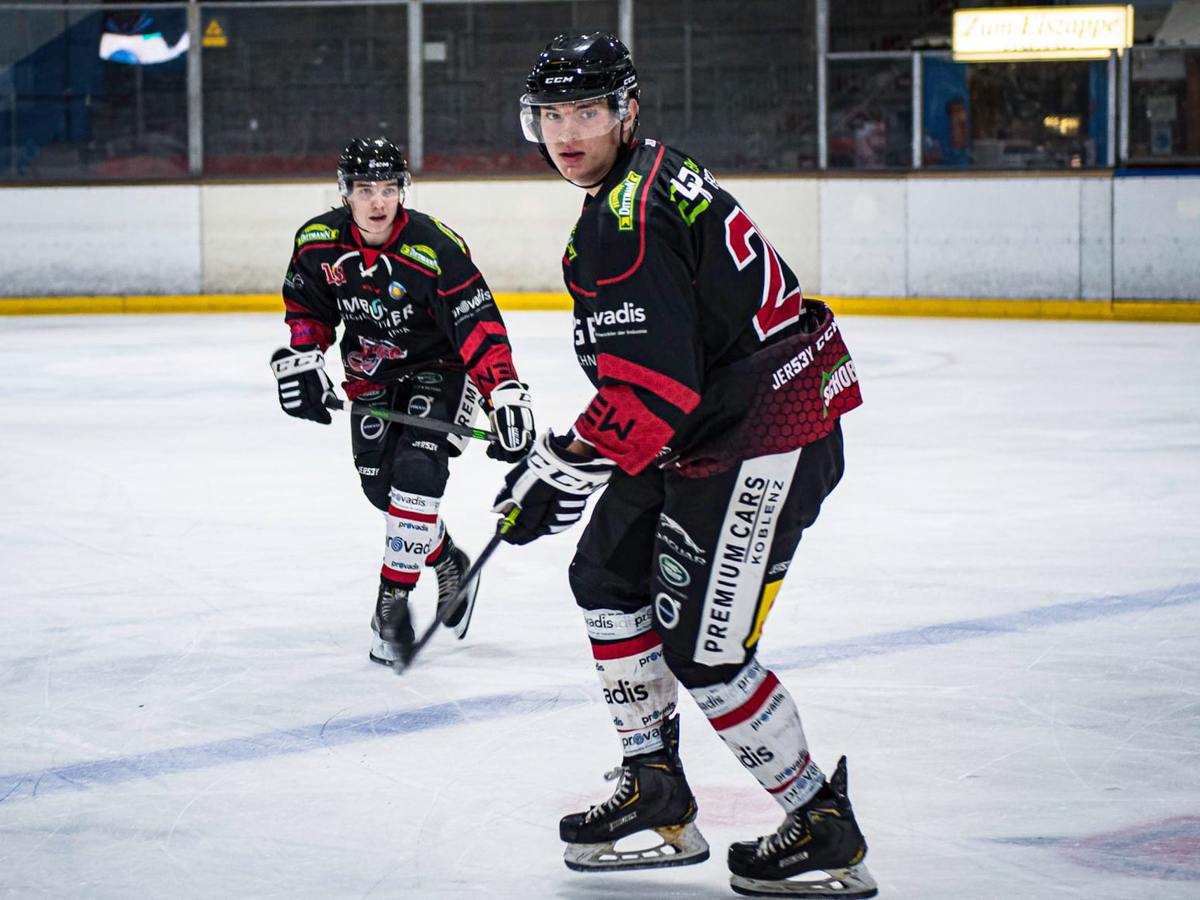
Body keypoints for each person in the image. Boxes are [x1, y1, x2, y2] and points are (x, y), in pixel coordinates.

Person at [491, 35, 876, 898]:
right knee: (605, 574)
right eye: (551, 115)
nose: (566, 133)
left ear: (626, 112)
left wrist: (561, 466)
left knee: (704, 647)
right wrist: (573, 466)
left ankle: (820, 822)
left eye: (585, 112)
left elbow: (654, 390)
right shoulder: (643, 183)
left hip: (763, 434)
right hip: (714, 424)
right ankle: (655, 785)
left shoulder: (625, 221)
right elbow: (659, 382)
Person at [271, 137, 535, 667]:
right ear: (345, 192)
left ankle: (390, 604)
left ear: (402, 191)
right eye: (365, 189)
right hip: (371, 377)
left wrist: (502, 391)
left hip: (442, 370)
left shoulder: (435, 247)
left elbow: (477, 325)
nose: (377, 202)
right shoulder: (317, 242)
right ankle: (447, 561)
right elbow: (308, 308)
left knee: (417, 472)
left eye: (388, 189)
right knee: (383, 493)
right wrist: (304, 358)